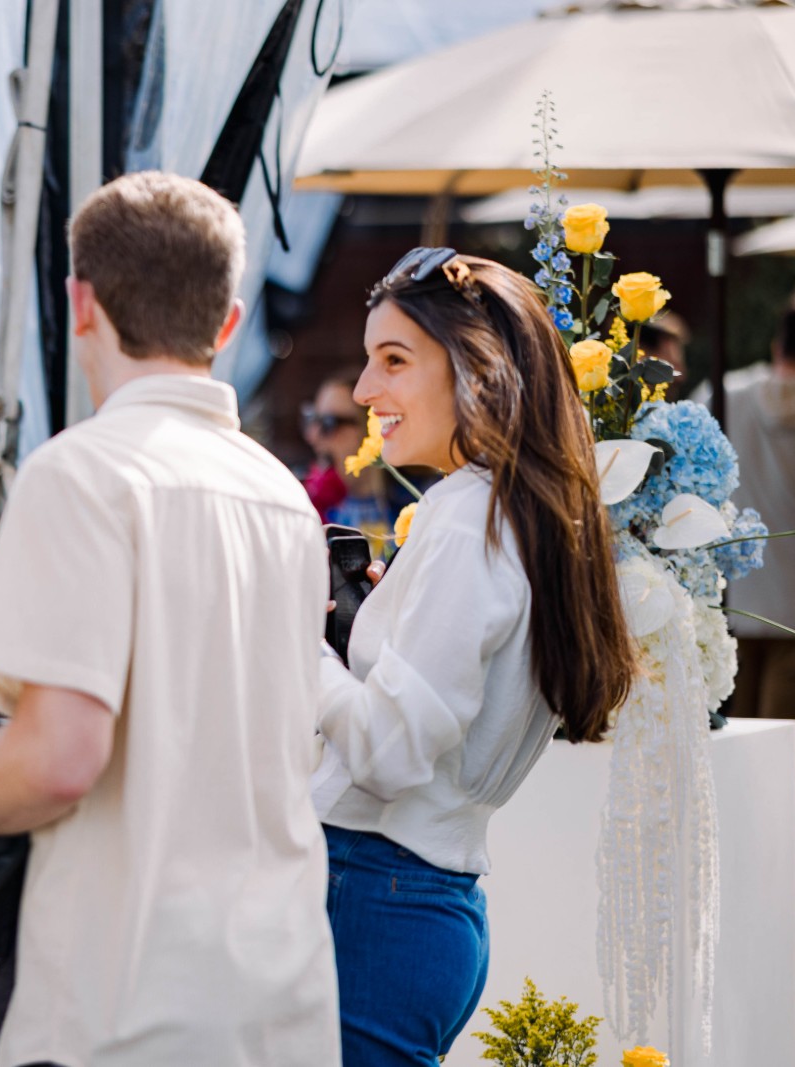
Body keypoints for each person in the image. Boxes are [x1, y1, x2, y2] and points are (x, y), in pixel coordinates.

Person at [0, 172, 342, 1067]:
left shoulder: (81, 474)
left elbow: (60, 757)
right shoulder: (284, 497)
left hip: (123, 999)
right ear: (228, 323)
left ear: (80, 304)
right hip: (282, 995)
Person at [313, 247, 636, 1065]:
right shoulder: (529, 516)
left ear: (479, 371)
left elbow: (388, 754)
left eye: (393, 360)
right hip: (426, 905)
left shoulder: (467, 522)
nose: (362, 391)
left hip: (373, 898)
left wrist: (291, 641)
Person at [723, 309, 795, 845]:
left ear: (777, 345)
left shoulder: (728, 395)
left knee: (734, 743)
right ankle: (779, 859)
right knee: (787, 752)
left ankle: (733, 844)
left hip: (737, 601)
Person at [300, 369, 415, 541]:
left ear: (368, 427)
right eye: (312, 419)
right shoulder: (309, 510)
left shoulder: (414, 509)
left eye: (329, 423)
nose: (313, 435)